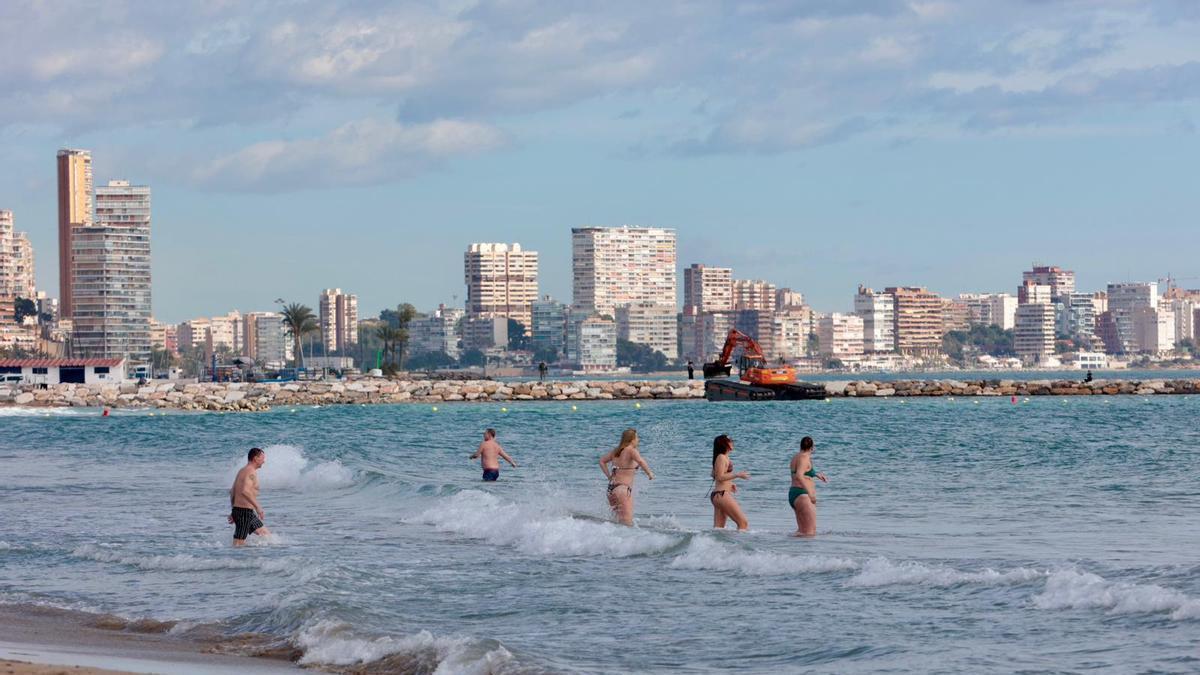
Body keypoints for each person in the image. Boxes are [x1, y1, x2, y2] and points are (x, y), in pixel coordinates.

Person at [599, 428, 655, 525]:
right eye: (637, 438)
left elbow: (602, 461)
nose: (638, 440)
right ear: (631, 439)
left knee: (616, 522)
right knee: (627, 523)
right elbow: (641, 461)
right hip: (623, 490)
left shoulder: (616, 451)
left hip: (611, 490)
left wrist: (609, 476)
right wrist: (649, 473)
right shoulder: (631, 450)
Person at [229, 447, 271, 546]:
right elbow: (245, 491)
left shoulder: (242, 470)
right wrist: (258, 507)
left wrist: (233, 511)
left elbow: (232, 492)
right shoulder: (250, 472)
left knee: (267, 536)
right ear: (256, 458)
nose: (264, 461)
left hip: (244, 512)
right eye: (262, 458)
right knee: (238, 544)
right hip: (244, 512)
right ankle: (229, 561)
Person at [709, 435, 751, 530]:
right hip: (721, 494)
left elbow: (713, 474)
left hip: (719, 495)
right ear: (724, 444)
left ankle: (712, 544)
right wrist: (737, 475)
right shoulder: (721, 457)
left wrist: (730, 483)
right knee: (743, 523)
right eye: (730, 441)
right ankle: (740, 545)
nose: (732, 442)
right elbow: (719, 477)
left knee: (718, 529)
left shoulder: (723, 457)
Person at [788, 436, 828, 537]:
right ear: (812, 447)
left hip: (794, 494)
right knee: (810, 533)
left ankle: (790, 550)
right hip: (803, 496)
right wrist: (810, 494)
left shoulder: (796, 457)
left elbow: (803, 471)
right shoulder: (805, 458)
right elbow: (799, 475)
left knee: (802, 532)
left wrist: (816, 474)